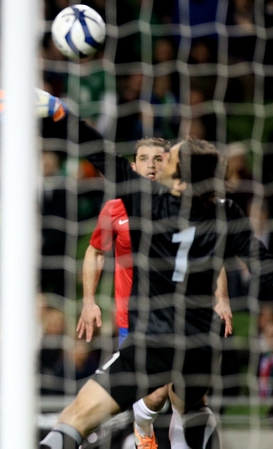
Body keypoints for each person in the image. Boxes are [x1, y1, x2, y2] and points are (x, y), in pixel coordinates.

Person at [37, 91, 273, 449]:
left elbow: (100, 152)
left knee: (74, 419)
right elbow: (265, 272)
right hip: (200, 342)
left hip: (152, 339)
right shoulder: (228, 213)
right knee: (193, 409)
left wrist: (59, 113)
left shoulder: (146, 201)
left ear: (176, 175)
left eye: (168, 159)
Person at [77, 137, 233, 447]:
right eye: (144, 158)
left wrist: (222, 298)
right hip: (135, 318)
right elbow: (95, 252)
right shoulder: (116, 208)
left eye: (159, 158)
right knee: (156, 393)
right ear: (132, 166)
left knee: (185, 395)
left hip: (186, 314)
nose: (151, 164)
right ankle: (143, 430)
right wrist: (88, 301)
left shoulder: (189, 205)